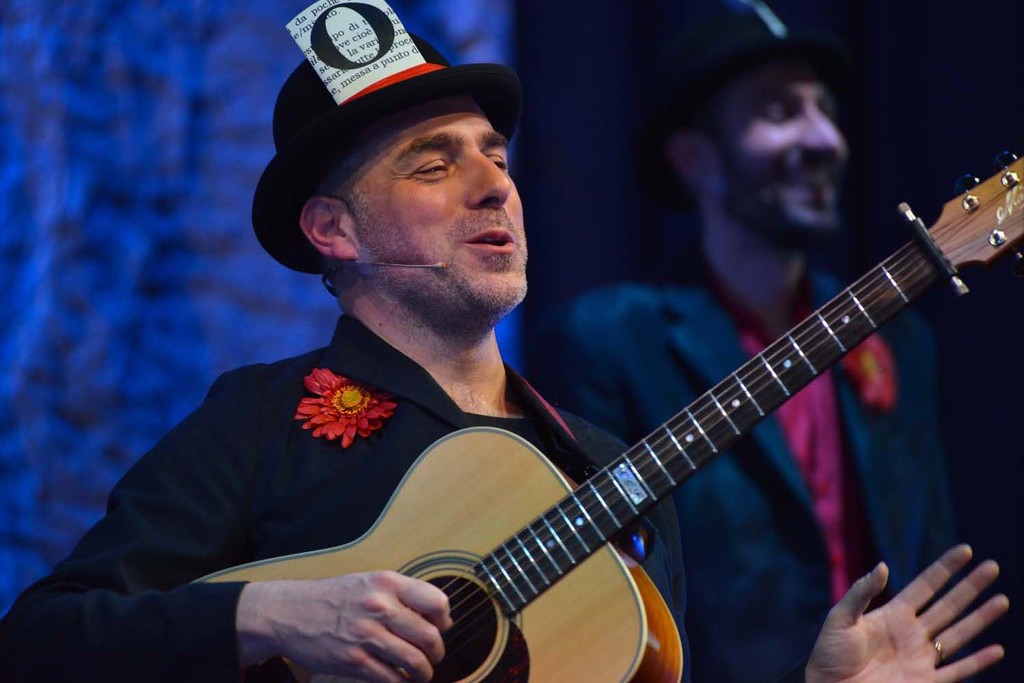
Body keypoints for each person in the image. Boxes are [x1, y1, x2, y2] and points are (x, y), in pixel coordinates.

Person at [0, 4, 1007, 682]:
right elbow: (37, 640)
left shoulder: (605, 466)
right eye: (433, 163)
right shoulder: (263, 419)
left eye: (496, 156)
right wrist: (268, 615)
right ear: (333, 229)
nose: (494, 186)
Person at [528, 9, 964, 683]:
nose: (826, 139)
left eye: (826, 110)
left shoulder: (896, 334)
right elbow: (596, 602)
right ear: (693, 158)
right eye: (781, 111)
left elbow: (928, 554)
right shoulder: (608, 343)